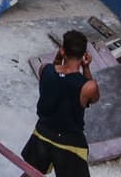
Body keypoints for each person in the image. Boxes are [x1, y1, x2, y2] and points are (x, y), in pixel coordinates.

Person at [21, 29, 100, 177]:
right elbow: (93, 98)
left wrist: (58, 58)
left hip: (42, 133)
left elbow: (54, 74)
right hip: (69, 142)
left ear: (62, 51)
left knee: (31, 174)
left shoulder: (45, 69)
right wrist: (86, 67)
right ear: (84, 56)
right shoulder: (88, 86)